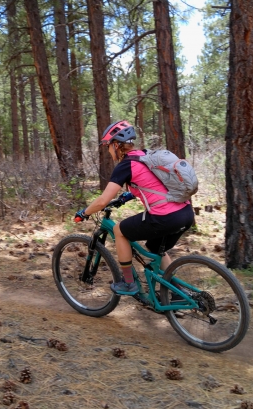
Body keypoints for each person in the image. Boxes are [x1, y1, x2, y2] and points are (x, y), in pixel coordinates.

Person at [74, 120, 195, 298]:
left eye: (108, 146)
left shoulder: (125, 165)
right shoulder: (145, 155)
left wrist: (84, 213)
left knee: (119, 230)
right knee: (155, 249)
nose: (108, 151)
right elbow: (152, 184)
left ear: (116, 145)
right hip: (185, 214)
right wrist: (127, 196)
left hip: (165, 217)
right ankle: (177, 291)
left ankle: (129, 283)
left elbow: (102, 201)